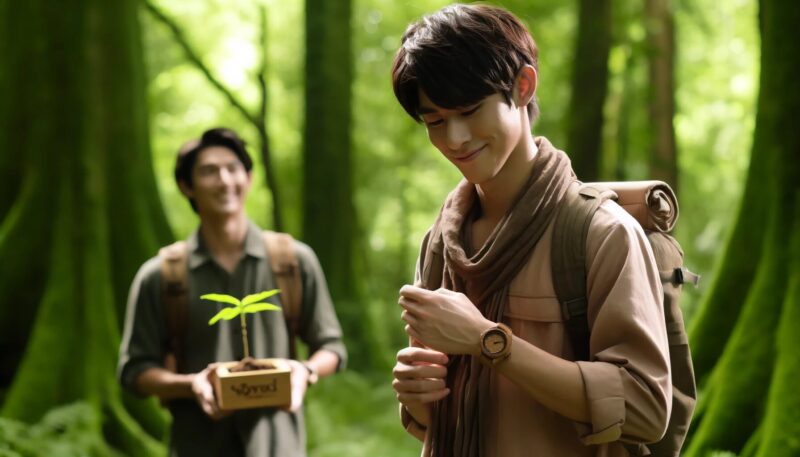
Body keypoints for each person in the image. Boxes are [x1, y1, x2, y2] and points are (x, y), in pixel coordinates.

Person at [390, 5, 671, 456]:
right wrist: (419, 394)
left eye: (468, 110)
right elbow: (435, 423)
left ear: (523, 86)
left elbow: (645, 409)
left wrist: (488, 342)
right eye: (435, 121)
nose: (455, 138)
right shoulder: (443, 241)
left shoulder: (600, 234)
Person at [118, 127, 346, 456]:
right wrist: (192, 385)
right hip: (197, 445)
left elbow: (332, 347)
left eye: (233, 168)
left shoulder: (293, 262)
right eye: (209, 171)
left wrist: (304, 371)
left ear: (249, 177)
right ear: (186, 186)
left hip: (279, 445)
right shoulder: (161, 276)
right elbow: (134, 370)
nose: (224, 180)